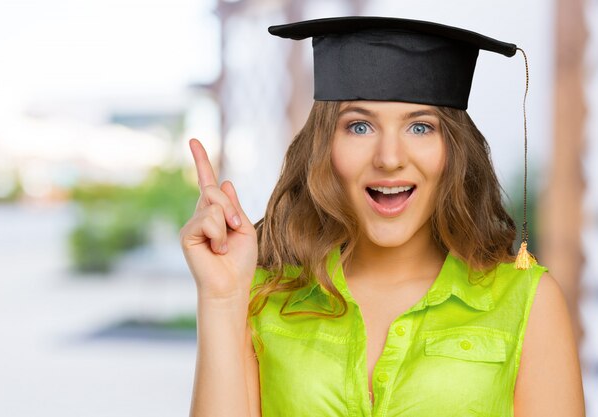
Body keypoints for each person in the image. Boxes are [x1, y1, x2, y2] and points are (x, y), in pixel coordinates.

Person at [180, 16, 586, 417]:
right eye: (359, 127)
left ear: (454, 150)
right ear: (324, 146)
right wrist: (221, 299)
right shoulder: (264, 297)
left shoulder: (526, 302)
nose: (389, 159)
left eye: (420, 128)